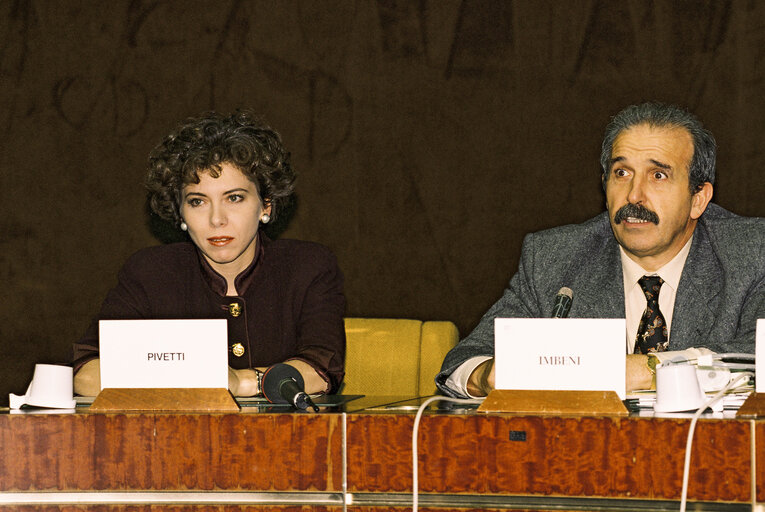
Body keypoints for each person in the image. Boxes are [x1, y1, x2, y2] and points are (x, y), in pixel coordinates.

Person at [437, 102, 765, 398]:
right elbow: (464, 362)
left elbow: (755, 358)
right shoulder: (555, 257)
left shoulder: (752, 253)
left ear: (698, 199)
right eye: (621, 173)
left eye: (658, 175)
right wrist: (486, 377)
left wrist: (649, 369)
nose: (634, 196)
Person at [73, 110, 346, 397]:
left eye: (234, 198)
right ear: (180, 212)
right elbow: (85, 372)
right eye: (198, 201)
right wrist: (198, 378)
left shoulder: (307, 267)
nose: (217, 219)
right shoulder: (149, 273)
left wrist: (241, 382)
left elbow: (320, 370)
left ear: (266, 205)